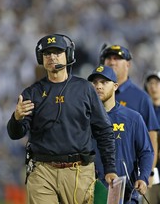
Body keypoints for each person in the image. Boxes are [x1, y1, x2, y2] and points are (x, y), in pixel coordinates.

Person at [7, 33, 118, 204]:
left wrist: (110, 168)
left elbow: (104, 130)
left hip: (78, 171)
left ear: (68, 55)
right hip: (42, 171)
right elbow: (15, 134)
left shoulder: (85, 89)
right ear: (41, 58)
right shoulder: (32, 93)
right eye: (47, 53)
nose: (52, 57)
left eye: (57, 52)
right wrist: (17, 118)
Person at [88, 65, 154, 204]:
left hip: (125, 194)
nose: (98, 86)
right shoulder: (83, 119)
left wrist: (143, 177)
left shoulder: (133, 118)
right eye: (95, 83)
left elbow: (146, 152)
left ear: (115, 86)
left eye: (104, 82)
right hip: (90, 192)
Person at [100, 45, 159, 185]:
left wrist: (148, 172)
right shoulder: (95, 95)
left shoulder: (141, 98)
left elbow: (151, 138)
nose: (112, 62)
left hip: (129, 176)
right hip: (98, 174)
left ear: (128, 64)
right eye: (108, 58)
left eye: (117, 58)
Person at [144, 71, 160, 204]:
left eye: (157, 83)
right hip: (151, 169)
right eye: (151, 83)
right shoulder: (144, 111)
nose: (153, 86)